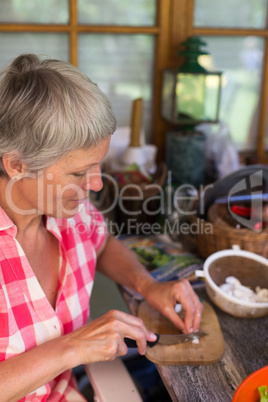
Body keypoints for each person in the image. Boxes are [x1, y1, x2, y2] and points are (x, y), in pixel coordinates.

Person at [0, 54, 203, 401]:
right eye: (79, 172)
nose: (95, 184)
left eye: (98, 166)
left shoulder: (68, 209)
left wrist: (148, 285)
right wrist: (72, 348)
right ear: (17, 164)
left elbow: (103, 243)